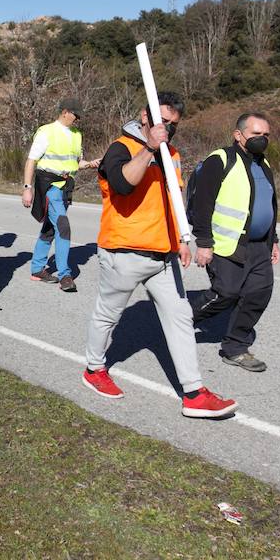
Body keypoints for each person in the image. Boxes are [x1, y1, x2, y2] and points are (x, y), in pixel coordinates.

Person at [81, 94, 238, 419]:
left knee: (180, 316)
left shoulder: (173, 154)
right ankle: (94, 369)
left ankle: (193, 393)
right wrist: (150, 148)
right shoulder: (120, 148)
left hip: (163, 254)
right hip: (123, 251)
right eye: (163, 121)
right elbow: (123, 185)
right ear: (144, 116)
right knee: (108, 315)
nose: (168, 128)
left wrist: (182, 238)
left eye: (173, 124)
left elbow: (172, 199)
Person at [189, 112, 280, 373]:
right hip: (226, 244)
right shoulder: (220, 160)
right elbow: (203, 204)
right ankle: (181, 321)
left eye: (266, 135)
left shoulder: (264, 163)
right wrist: (204, 242)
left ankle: (236, 348)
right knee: (225, 293)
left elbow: (268, 203)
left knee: (259, 294)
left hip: (259, 245)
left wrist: (273, 239)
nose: (262, 140)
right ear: (238, 135)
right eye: (255, 134)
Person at [21, 98, 100, 292]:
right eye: (75, 115)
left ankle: (37, 268)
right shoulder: (46, 131)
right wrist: (27, 187)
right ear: (65, 112)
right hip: (49, 186)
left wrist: (90, 164)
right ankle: (65, 274)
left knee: (50, 228)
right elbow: (32, 160)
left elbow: (77, 163)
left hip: (66, 188)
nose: (77, 119)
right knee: (63, 226)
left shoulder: (77, 135)